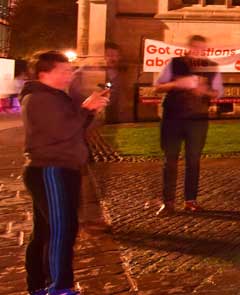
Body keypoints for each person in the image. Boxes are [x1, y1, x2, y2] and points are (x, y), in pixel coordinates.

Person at [21, 51, 111, 295]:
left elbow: (75, 128)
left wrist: (89, 110)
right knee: (63, 228)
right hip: (51, 169)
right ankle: (59, 287)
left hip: (61, 168)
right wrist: (86, 108)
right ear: (44, 73)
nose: (69, 74)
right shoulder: (39, 99)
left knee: (47, 230)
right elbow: (63, 130)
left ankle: (39, 285)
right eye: (64, 70)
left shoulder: (55, 97)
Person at [153, 35, 222, 215]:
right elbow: (157, 87)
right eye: (196, 47)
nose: (199, 51)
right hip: (173, 118)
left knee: (193, 161)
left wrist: (204, 90)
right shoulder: (175, 64)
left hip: (198, 120)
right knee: (170, 161)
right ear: (189, 48)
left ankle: (190, 200)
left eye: (202, 48)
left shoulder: (211, 67)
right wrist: (177, 83)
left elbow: (217, 93)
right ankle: (168, 202)